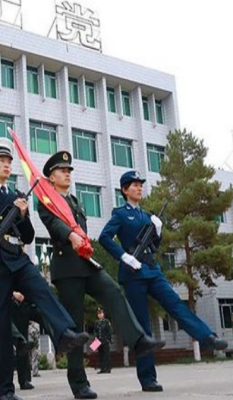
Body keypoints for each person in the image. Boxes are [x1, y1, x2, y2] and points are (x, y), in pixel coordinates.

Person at [0, 138, 90, 400]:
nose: (6, 164)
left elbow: (27, 236)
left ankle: (65, 333)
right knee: (2, 328)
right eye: (1, 161)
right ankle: (3, 391)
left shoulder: (16, 195)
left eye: (8, 161)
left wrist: (24, 215)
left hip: (18, 256)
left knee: (42, 290)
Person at [37, 151, 165, 399]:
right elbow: (54, 225)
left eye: (69, 170)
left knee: (114, 291)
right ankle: (79, 383)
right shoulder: (47, 202)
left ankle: (138, 340)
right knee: (75, 327)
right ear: (51, 177)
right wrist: (70, 235)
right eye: (62, 171)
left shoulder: (75, 201)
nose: (67, 173)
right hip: (67, 268)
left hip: (86, 263)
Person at [98, 170, 228, 392]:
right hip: (132, 273)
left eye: (140, 184)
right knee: (143, 325)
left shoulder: (147, 215)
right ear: (124, 190)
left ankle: (207, 337)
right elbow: (104, 237)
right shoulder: (120, 214)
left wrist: (158, 231)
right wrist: (124, 256)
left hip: (152, 269)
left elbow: (155, 246)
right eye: (134, 184)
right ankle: (148, 378)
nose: (139, 188)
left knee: (176, 304)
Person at [94, 308, 112, 374]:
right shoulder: (96, 322)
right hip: (98, 340)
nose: (100, 315)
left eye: (101, 313)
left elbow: (109, 331)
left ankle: (108, 368)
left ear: (103, 314)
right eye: (98, 314)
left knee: (106, 355)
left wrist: (108, 339)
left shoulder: (106, 321)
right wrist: (95, 337)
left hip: (105, 340)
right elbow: (95, 331)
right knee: (100, 355)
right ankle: (102, 368)